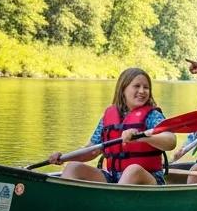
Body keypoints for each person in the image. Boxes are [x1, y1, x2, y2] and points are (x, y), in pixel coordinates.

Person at [47, 67, 175, 185]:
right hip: (113, 177)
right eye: (136, 86)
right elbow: (91, 150)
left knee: (132, 170)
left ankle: (114, 205)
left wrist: (142, 137)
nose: (142, 91)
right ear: (123, 89)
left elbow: (171, 141)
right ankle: (66, 205)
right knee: (73, 167)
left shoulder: (152, 116)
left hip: (148, 179)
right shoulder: (108, 117)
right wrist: (64, 157)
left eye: (146, 87)